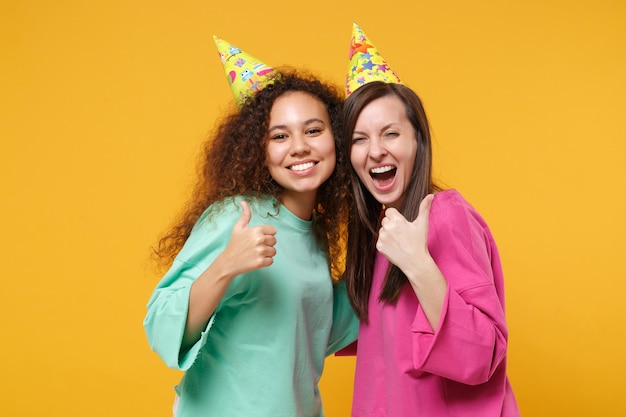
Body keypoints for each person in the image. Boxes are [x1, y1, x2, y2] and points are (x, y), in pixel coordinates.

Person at [144, 36, 358, 417]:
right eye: (279, 136)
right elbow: (162, 326)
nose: (299, 147)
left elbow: (309, 338)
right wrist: (226, 264)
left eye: (313, 130)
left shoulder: (316, 233)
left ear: (337, 141)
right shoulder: (236, 216)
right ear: (258, 150)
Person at [340, 23, 521, 416]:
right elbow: (328, 330)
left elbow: (482, 353)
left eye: (390, 134)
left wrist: (418, 263)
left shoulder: (445, 214)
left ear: (417, 140)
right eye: (359, 139)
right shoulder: (379, 235)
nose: (375, 152)